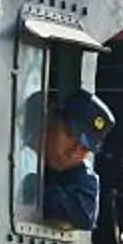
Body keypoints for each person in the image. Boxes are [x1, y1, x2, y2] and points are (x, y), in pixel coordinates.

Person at [37, 87, 112, 230]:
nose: (72, 152)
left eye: (84, 149)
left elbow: (84, 215)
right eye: (69, 135)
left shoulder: (84, 177)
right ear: (50, 121)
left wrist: (36, 190)